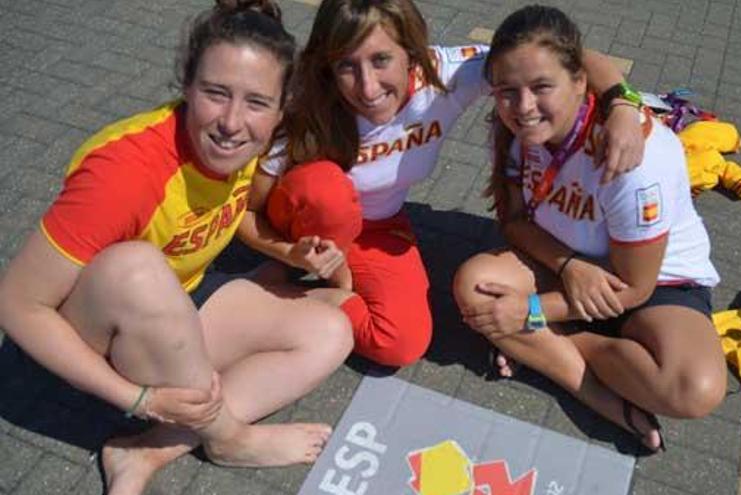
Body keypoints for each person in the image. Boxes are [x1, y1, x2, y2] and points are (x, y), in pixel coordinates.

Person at [0, 1, 353, 494]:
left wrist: (289, 254)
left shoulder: (248, 146)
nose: (232, 121)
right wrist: (139, 398)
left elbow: (239, 216)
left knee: (333, 331)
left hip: (177, 307)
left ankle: (145, 449)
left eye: (255, 102)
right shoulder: (125, 171)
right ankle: (228, 438)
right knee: (137, 268)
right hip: (84, 346)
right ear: (187, 86)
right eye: (215, 93)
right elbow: (17, 305)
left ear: (280, 108)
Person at [237, 0, 648, 368]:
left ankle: (287, 299)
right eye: (347, 65)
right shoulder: (305, 104)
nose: (367, 87)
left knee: (401, 343)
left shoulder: (446, 75)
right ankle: (291, 280)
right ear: (328, 66)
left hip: (376, 225)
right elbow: (247, 211)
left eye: (381, 60)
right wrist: (290, 253)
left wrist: (623, 103)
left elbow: (556, 57)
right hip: (302, 221)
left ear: (413, 54)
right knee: (326, 190)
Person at [453, 5, 727, 452]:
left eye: (542, 88)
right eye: (507, 91)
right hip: (561, 261)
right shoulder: (514, 132)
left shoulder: (631, 157)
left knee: (693, 388)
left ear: (580, 83)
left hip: (651, 282)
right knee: (476, 287)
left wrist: (531, 315)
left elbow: (634, 289)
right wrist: (570, 265)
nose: (523, 108)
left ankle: (549, 343)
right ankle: (591, 391)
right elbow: (515, 222)